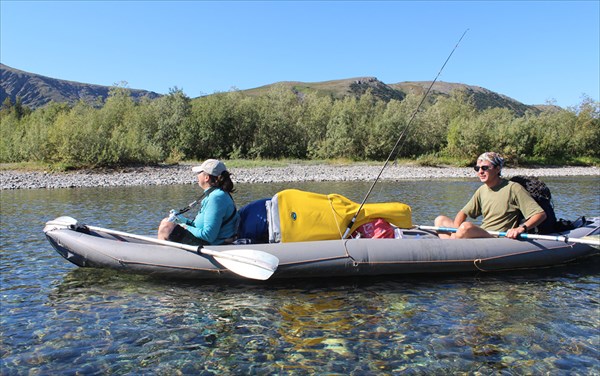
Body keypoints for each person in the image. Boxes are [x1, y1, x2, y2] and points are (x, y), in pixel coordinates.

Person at [434, 152, 547, 239]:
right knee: (440, 220)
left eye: (485, 168)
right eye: (477, 168)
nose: (480, 172)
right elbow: (462, 213)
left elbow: (540, 214)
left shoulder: (513, 188)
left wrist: (520, 228)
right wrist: (455, 232)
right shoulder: (482, 190)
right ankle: (452, 245)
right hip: (482, 232)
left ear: (498, 169)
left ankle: (452, 244)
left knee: (466, 227)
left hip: (495, 238)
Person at [158, 159, 239, 245]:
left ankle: (160, 256)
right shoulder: (215, 194)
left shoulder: (216, 198)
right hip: (206, 240)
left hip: (212, 245)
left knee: (166, 227)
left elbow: (208, 236)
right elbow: (199, 226)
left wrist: (184, 226)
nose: (197, 176)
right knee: (166, 221)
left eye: (199, 173)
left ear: (206, 177)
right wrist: (182, 220)